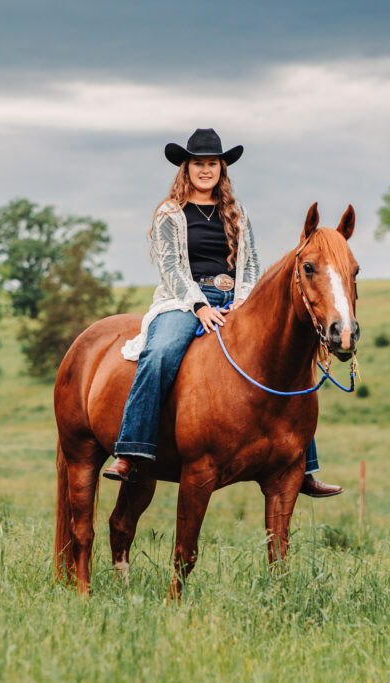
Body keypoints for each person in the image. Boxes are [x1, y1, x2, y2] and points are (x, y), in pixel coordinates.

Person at [102, 128, 342, 497]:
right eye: (198, 163)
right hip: (183, 301)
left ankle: (303, 465)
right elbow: (171, 267)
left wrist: (244, 303)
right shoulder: (170, 213)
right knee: (161, 352)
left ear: (221, 169)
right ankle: (132, 449)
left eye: (212, 163)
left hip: (234, 301)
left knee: (286, 360)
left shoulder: (236, 211)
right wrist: (199, 305)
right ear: (186, 168)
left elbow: (250, 263)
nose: (205, 170)